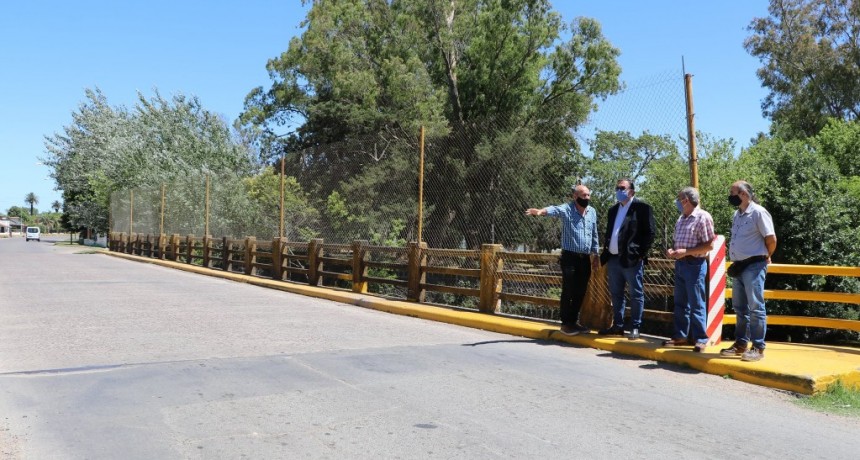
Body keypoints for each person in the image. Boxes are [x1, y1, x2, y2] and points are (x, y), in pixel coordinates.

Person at [525, 184, 600, 336]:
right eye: (583, 195)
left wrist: (596, 254)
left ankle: (574, 321)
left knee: (581, 291)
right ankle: (566, 324)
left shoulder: (592, 212)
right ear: (575, 196)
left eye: (588, 195)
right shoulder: (567, 208)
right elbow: (554, 209)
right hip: (570, 257)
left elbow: (594, 234)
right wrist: (540, 212)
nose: (587, 198)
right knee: (569, 289)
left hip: (585, 258)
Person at [720, 180, 777, 362]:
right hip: (739, 266)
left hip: (754, 265)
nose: (730, 196)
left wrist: (766, 255)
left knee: (756, 307)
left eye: (733, 193)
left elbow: (771, 238)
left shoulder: (758, 212)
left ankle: (758, 348)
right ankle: (741, 344)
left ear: (744, 194)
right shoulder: (737, 214)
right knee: (740, 307)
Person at [599, 178, 656, 340]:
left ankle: (635, 327)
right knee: (616, 294)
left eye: (622, 188)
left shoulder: (642, 208)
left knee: (636, 293)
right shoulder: (613, 210)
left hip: (632, 260)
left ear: (631, 191)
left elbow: (650, 233)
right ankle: (618, 326)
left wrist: (640, 254)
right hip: (613, 259)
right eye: (617, 187)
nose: (618, 190)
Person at [663, 187, 716, 352]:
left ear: (686, 200)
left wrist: (686, 252)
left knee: (696, 303)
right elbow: (678, 242)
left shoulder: (703, 217)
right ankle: (680, 336)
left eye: (679, 198)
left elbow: (709, 245)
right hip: (680, 264)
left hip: (695, 264)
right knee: (680, 303)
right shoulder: (681, 218)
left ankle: (701, 338)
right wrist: (673, 251)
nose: (677, 202)